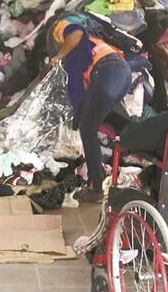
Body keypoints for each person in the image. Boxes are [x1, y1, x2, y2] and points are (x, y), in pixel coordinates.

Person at [48, 17, 132, 203]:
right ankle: (136, 155)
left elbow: (76, 32)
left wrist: (59, 55)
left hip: (108, 69)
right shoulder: (82, 55)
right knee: (107, 121)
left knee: (88, 128)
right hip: (120, 73)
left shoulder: (64, 29)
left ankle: (95, 185)